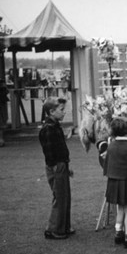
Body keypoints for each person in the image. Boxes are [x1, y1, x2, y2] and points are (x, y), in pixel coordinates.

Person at [39, 97, 74, 240]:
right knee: (59, 197)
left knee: (64, 196)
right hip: (56, 166)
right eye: (61, 110)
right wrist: (56, 167)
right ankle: (53, 229)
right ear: (51, 111)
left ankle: (63, 227)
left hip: (61, 165)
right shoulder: (48, 129)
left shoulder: (54, 126)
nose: (64, 112)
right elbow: (49, 152)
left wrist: (66, 166)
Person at [102, 117, 127, 248]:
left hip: (113, 181)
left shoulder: (111, 146)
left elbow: (106, 165)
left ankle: (118, 233)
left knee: (120, 209)